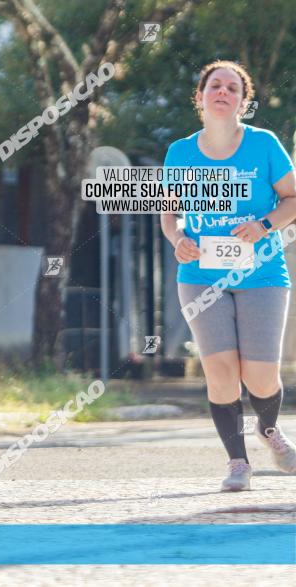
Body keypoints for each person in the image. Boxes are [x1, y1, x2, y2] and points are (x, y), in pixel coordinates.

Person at [161, 61, 296, 491]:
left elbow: (292, 198)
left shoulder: (264, 144)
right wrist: (177, 237)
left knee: (260, 377)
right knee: (220, 371)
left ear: (243, 100)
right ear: (200, 98)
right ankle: (237, 462)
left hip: (262, 273)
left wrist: (264, 226)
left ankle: (269, 430)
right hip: (200, 274)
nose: (222, 92)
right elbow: (169, 213)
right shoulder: (180, 152)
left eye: (232, 88)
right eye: (214, 86)